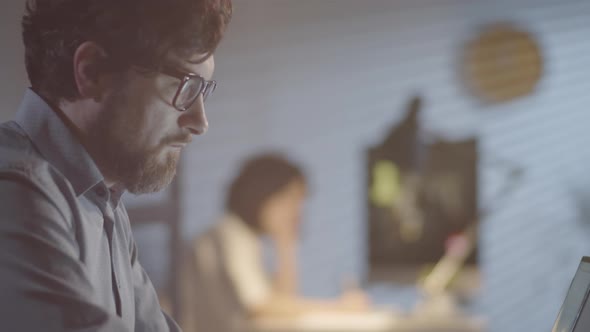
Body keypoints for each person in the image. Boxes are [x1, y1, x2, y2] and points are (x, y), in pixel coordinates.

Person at [0, 0, 232, 331]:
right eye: (185, 87)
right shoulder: (16, 192)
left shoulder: (101, 197)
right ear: (92, 72)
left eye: (202, 91)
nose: (199, 121)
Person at [185, 153, 368, 332]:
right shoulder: (228, 234)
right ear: (263, 195)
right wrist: (337, 308)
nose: (296, 210)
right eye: (291, 199)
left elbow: (282, 303)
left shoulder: (249, 240)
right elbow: (261, 306)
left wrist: (286, 244)